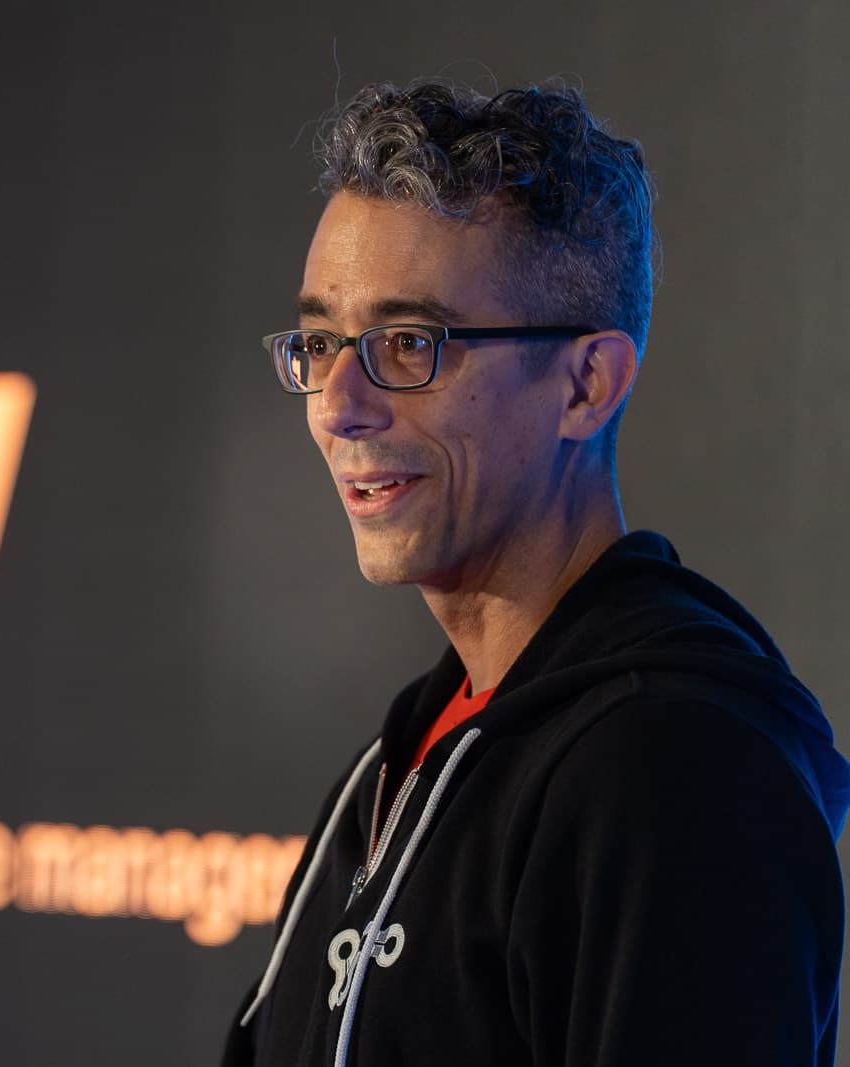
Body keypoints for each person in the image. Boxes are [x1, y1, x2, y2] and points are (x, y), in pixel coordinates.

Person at [224, 79, 850, 1067]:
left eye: (407, 344)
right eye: (319, 343)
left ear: (586, 384)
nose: (337, 405)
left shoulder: (678, 769)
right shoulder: (394, 771)